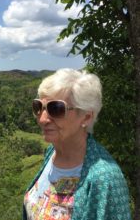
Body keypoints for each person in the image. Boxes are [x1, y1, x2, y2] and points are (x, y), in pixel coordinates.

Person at [23, 69, 131, 220]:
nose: (42, 119)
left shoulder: (105, 179)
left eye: (56, 109)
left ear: (86, 117)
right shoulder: (52, 152)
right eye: (38, 107)